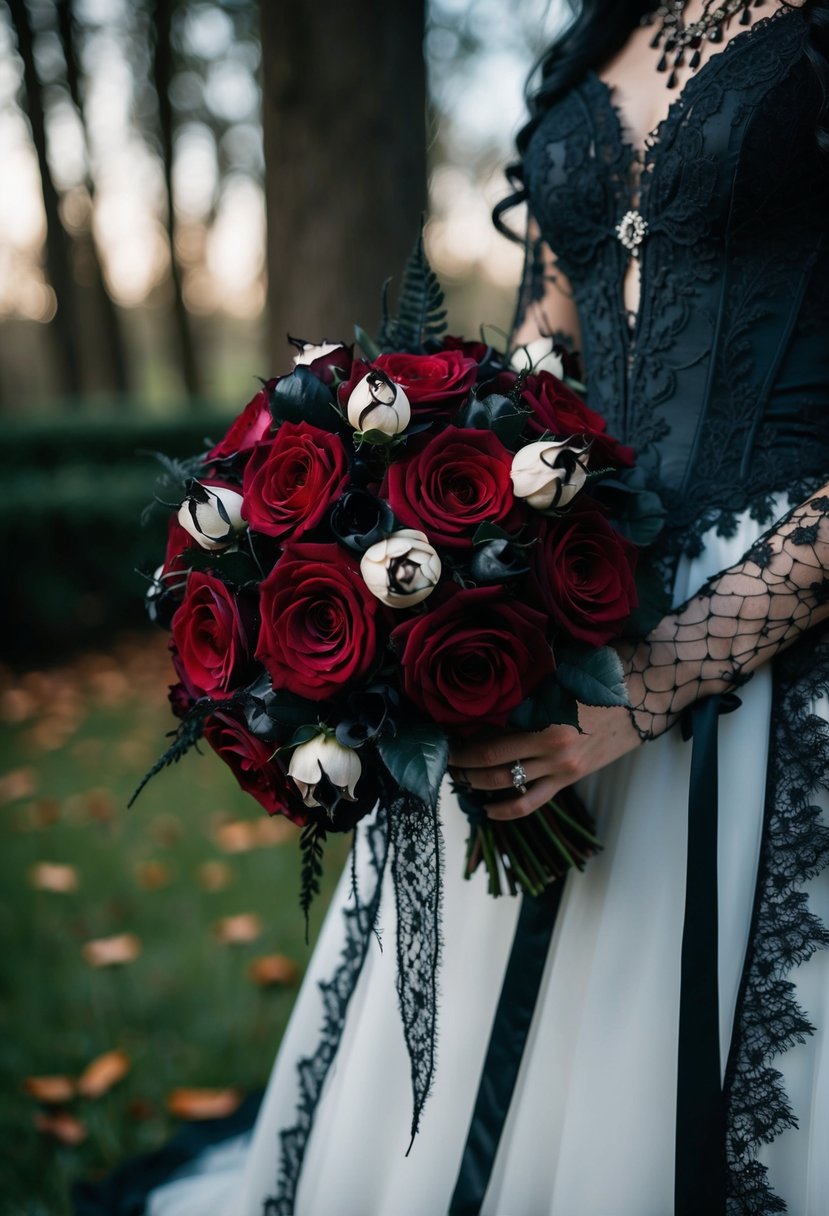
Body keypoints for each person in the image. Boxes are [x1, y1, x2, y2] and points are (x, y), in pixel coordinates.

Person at [76, 2, 829, 1213]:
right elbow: (547, 358)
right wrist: (454, 550)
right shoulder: (599, 35)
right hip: (575, 585)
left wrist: (653, 680)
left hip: (777, 631)